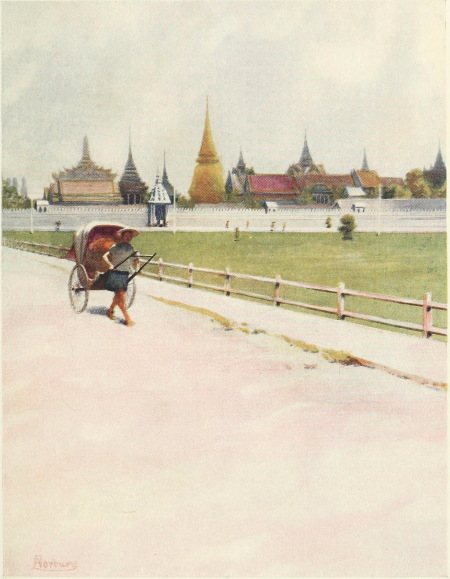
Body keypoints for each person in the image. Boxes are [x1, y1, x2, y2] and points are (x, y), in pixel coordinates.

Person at [103, 228, 140, 326]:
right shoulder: (116, 247)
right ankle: (127, 319)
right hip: (115, 274)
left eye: (130, 237)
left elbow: (136, 260)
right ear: (122, 237)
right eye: (126, 236)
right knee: (120, 296)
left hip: (125, 274)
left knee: (118, 296)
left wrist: (137, 268)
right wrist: (110, 265)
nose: (128, 238)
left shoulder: (131, 249)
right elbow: (105, 256)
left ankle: (110, 310)